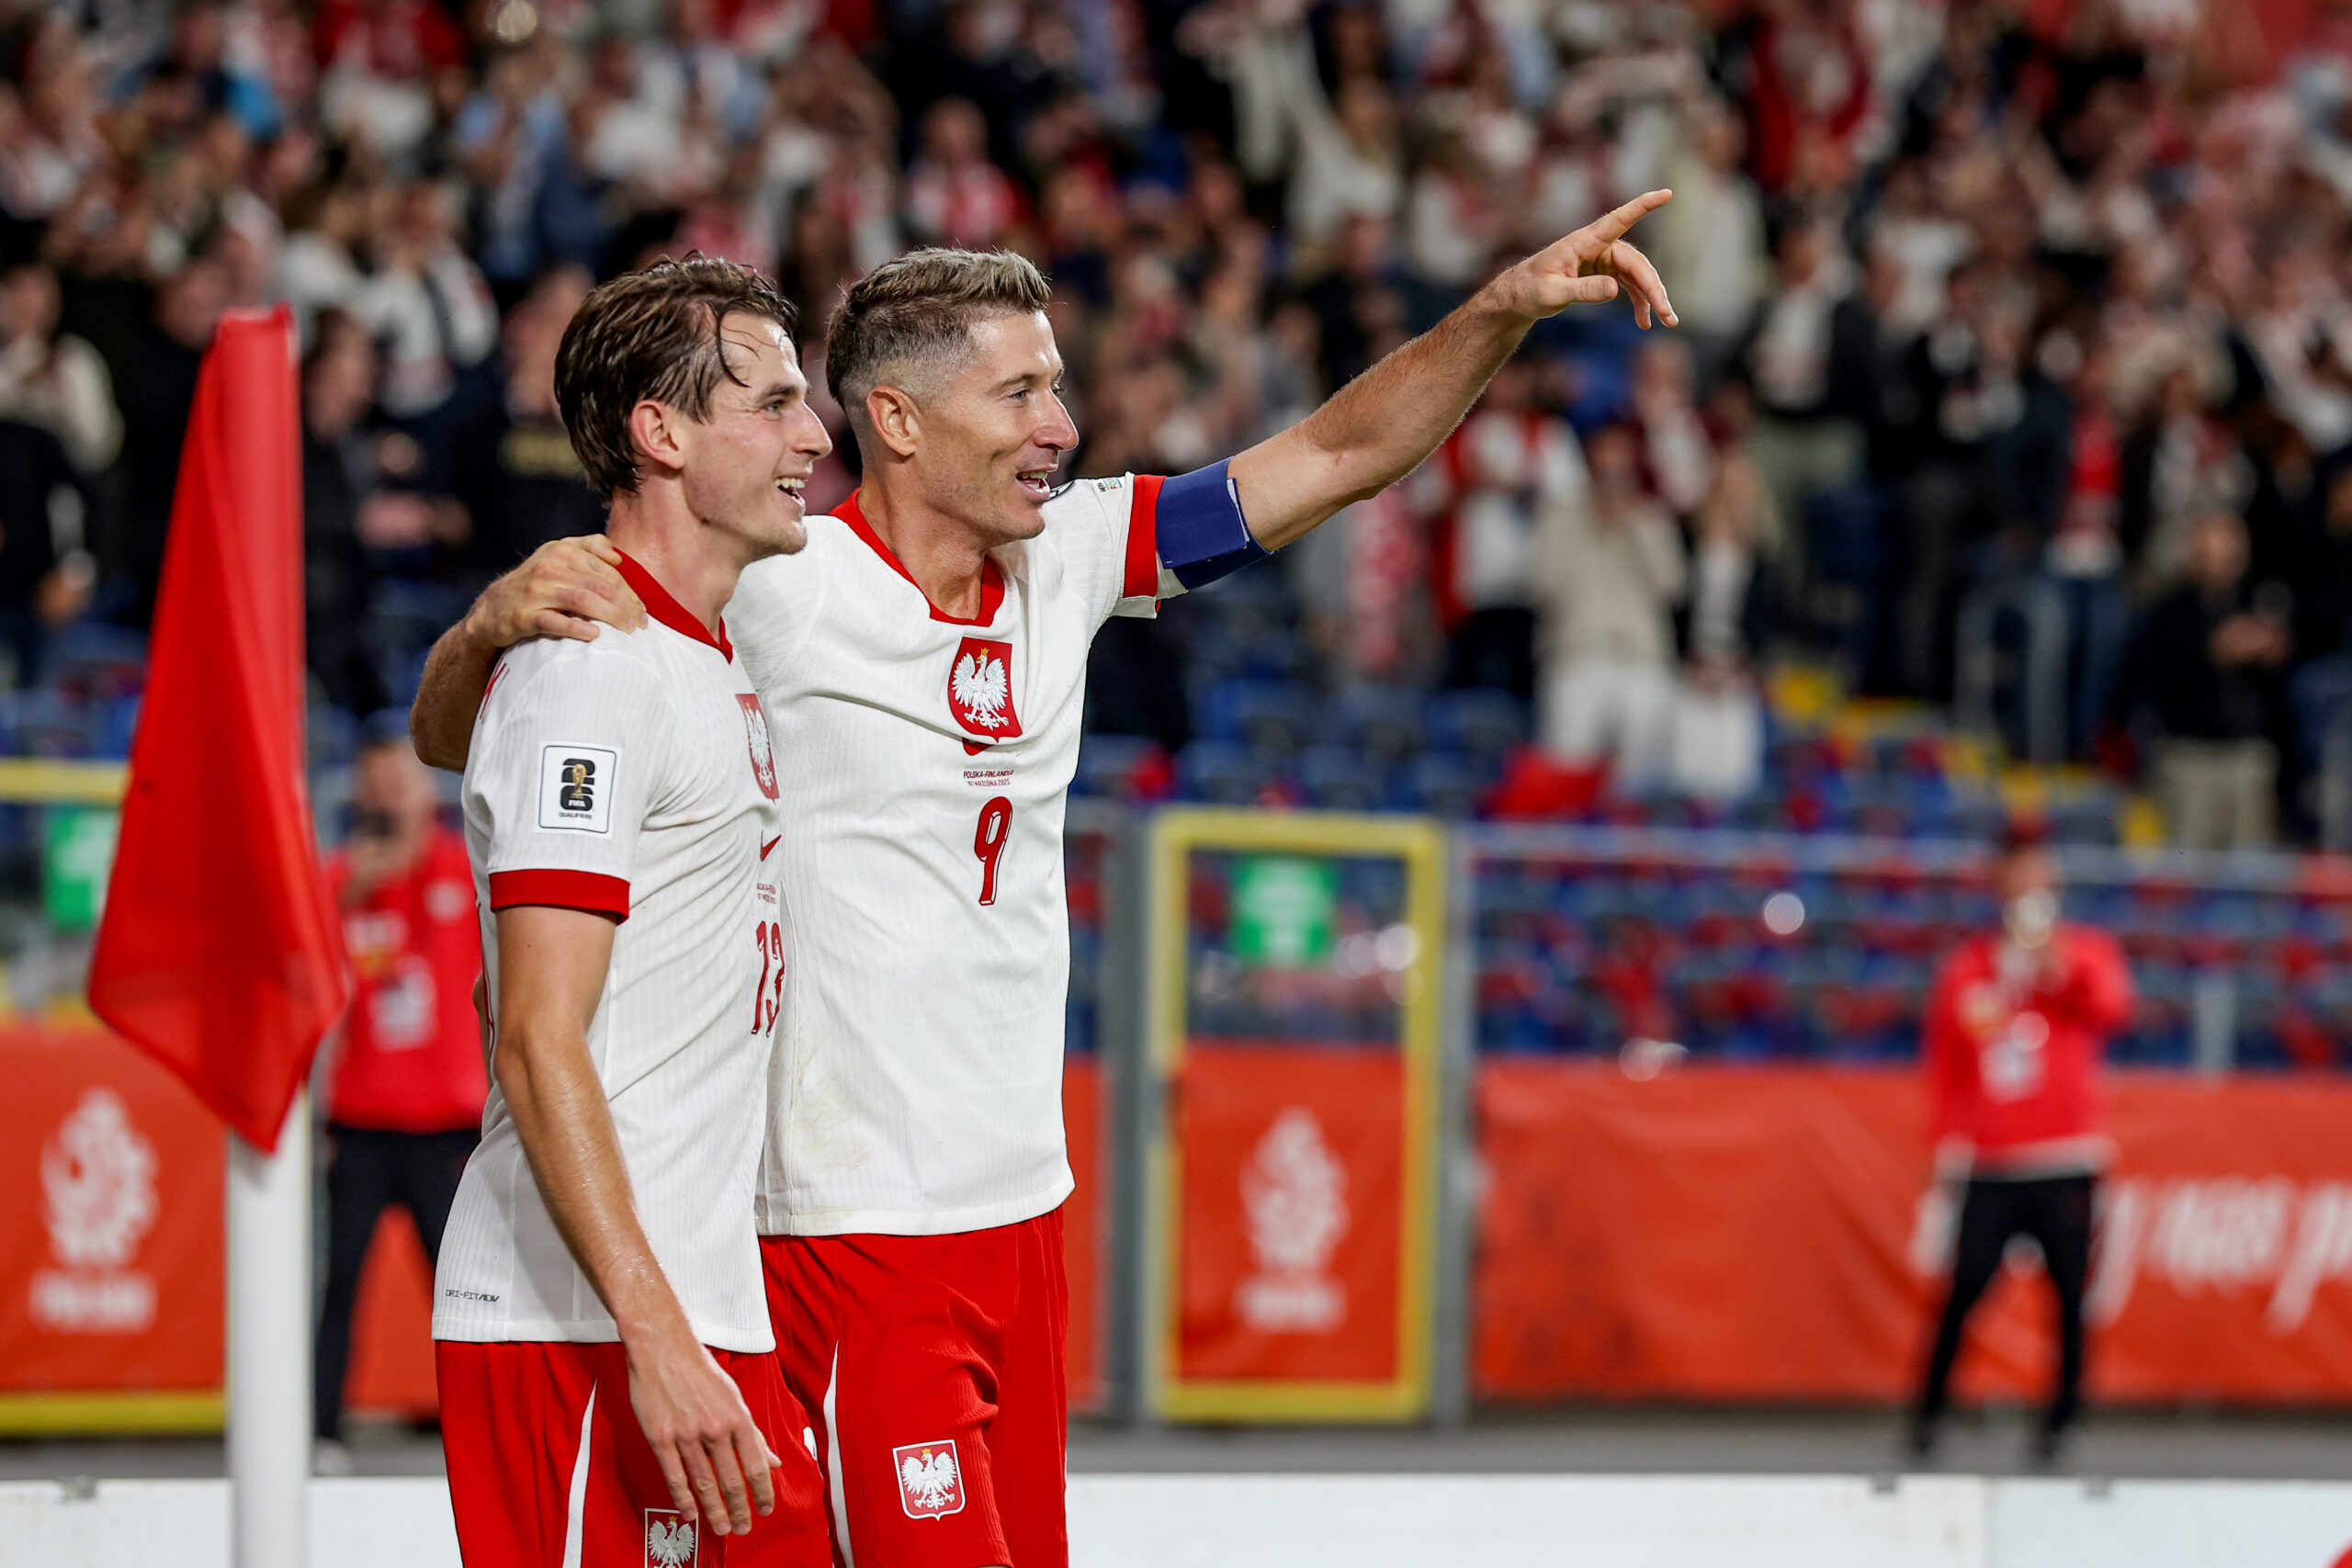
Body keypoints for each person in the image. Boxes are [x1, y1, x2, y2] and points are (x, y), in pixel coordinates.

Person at [413, 202, 1679, 1568]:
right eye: (1020, 389)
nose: (1061, 424)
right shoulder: (777, 583)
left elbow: (1338, 451)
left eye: (1058, 385)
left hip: (1019, 1215)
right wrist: (484, 622)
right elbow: (499, 719)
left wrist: (1499, 307)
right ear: (897, 420)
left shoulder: (1069, 556)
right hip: (844, 1228)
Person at [430, 256, 831, 1564]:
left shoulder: (701, 650)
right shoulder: (587, 668)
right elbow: (538, 1036)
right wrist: (654, 1333)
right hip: (584, 1328)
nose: (811, 434)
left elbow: (455, 736)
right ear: (659, 432)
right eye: (770, 404)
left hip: (694, 1310)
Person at [1906, 816, 2134, 1467]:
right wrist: (1944, 1141)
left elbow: (2111, 1008)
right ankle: (1928, 1410)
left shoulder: (2085, 950)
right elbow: (1946, 1059)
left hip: (2065, 1156)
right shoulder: (1969, 966)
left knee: (2068, 1294)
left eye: (2040, 874)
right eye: (2019, 874)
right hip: (1991, 1158)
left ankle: (2063, 1418)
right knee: (1965, 1288)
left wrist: (2051, 962)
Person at [312, 725, 487, 1455]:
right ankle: (317, 1428)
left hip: (445, 1126)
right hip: (361, 1119)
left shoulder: (463, 871)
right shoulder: (341, 880)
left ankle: (481, 1432)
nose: (386, 797)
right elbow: (305, 965)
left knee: (462, 1291)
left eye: (399, 782)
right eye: (374, 785)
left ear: (424, 791)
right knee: (339, 1281)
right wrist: (353, 887)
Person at [2138, 508, 2291, 850]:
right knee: (2185, 872)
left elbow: (2279, 652)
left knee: (2250, 872)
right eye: (2211, 554)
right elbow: (2194, 656)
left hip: (2248, 756)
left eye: (2230, 555)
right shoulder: (2170, 610)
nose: (2221, 565)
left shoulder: (2260, 599)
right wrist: (2225, 645)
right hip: (2189, 757)